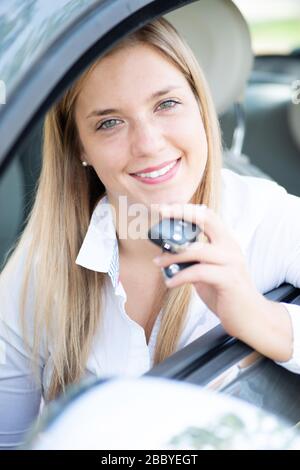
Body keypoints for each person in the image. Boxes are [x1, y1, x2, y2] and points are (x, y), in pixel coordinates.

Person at [0, 17, 300, 449]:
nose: (148, 143)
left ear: (200, 103)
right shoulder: (38, 270)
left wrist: (258, 317)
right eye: (109, 123)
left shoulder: (267, 218)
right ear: (79, 147)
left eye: (166, 105)